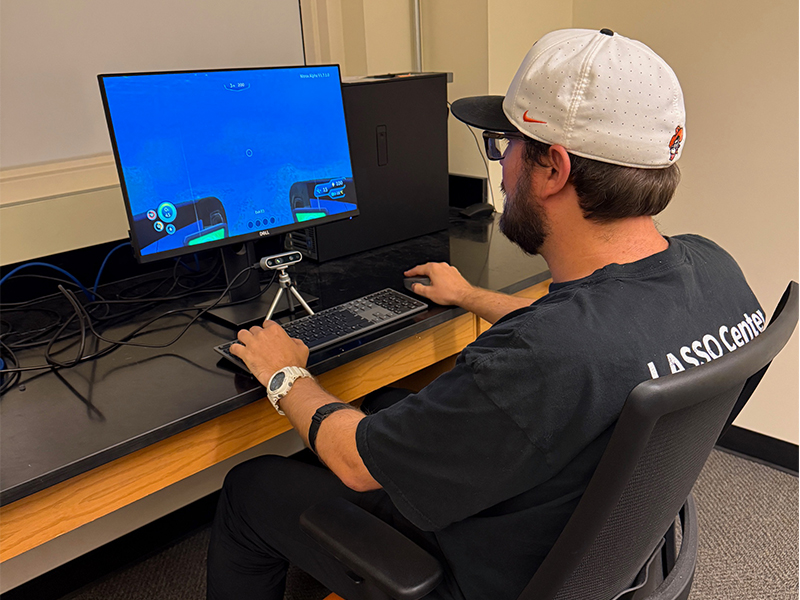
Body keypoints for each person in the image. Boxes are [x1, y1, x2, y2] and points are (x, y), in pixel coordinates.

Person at [207, 28, 763, 600]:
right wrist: (471, 296)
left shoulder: (551, 355)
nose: (501, 171)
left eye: (505, 146)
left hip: (479, 574)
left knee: (252, 485)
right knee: (391, 404)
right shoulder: (717, 273)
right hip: (598, 550)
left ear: (553, 170)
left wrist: (285, 375)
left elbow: (354, 463)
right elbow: (600, 333)